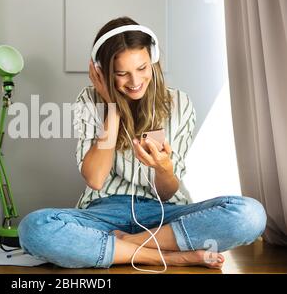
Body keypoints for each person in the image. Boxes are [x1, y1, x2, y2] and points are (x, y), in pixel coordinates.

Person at [18, 16, 267, 269]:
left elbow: (167, 192)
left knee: (250, 214)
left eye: (142, 68)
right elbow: (95, 178)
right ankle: (166, 256)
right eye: (121, 73)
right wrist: (112, 107)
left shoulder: (179, 103)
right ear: (103, 72)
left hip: (165, 215)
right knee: (34, 228)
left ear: (153, 60)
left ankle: (127, 244)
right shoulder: (90, 100)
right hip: (103, 214)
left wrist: (163, 167)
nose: (135, 82)